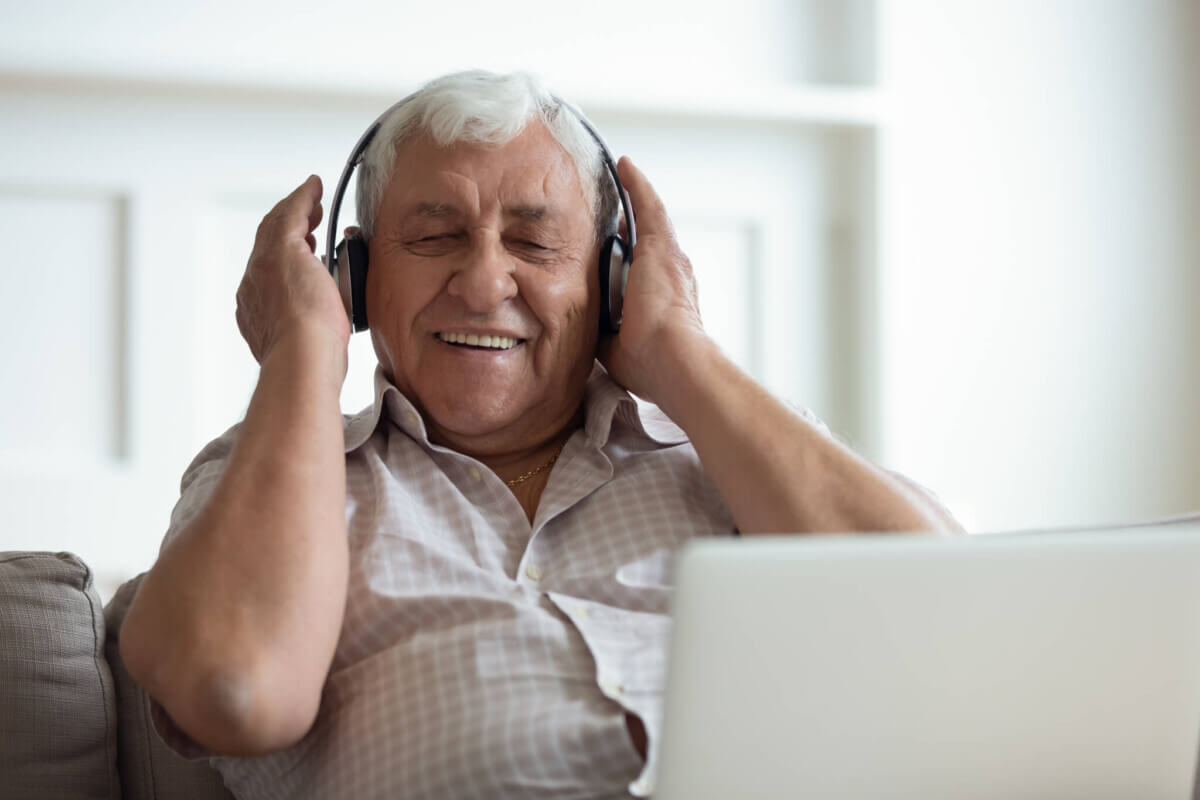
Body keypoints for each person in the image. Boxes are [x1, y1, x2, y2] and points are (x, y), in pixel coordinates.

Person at [120, 70, 961, 799]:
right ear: (356, 276)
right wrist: (302, 349)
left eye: (534, 240)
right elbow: (229, 687)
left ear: (611, 281)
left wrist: (679, 350)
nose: (486, 283)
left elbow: (956, 627)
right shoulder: (273, 475)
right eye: (436, 234)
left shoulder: (726, 451)